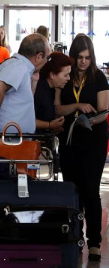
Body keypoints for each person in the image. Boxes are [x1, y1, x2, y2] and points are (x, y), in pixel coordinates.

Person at [54, 35, 109, 262]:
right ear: (73, 56)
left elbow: (104, 110)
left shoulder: (99, 78)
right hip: (70, 141)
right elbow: (58, 109)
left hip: (94, 140)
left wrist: (90, 119)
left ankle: (94, 242)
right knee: (72, 190)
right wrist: (77, 106)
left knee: (91, 191)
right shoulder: (66, 77)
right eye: (80, 57)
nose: (84, 62)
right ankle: (74, 237)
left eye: (87, 58)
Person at [0, 33, 51, 140]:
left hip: (11, 143)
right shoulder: (18, 66)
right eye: (47, 58)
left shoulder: (21, 67)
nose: (46, 62)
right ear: (39, 57)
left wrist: (34, 80)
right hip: (1, 144)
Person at [34, 52, 71, 134]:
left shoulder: (52, 89)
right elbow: (27, 120)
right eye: (66, 75)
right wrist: (49, 125)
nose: (69, 78)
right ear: (53, 75)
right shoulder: (39, 90)